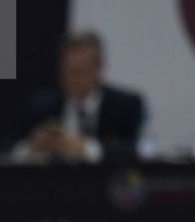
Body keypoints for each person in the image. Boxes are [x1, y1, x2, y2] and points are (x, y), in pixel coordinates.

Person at [12, 32, 147, 164]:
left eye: (81, 71)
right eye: (68, 71)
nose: (74, 78)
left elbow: (136, 150)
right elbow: (7, 147)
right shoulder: (42, 106)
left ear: (98, 69)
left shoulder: (126, 106)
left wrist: (87, 148)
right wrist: (31, 147)